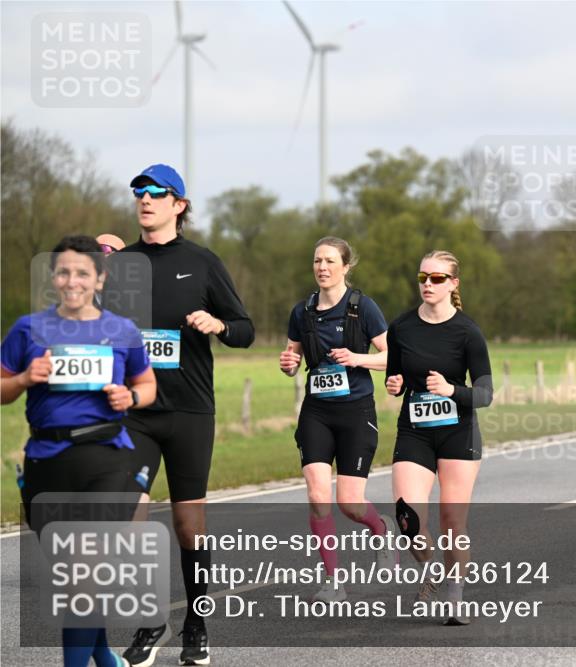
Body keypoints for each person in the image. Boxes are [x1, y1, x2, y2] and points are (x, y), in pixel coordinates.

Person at [103, 164, 254, 667]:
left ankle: (198, 623)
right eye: (138, 193)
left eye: (155, 193)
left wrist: (217, 324)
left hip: (190, 409)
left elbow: (246, 329)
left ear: (179, 204)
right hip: (137, 412)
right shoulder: (120, 265)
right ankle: (150, 622)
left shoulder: (203, 263)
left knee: (190, 524)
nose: (144, 199)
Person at [1, 235, 156, 667]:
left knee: (86, 571)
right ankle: (104, 655)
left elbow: (147, 385)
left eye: (83, 273)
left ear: (100, 279)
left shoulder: (122, 331)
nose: (73, 281)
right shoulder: (28, 329)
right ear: (54, 278)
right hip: (47, 459)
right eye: (64, 272)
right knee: (76, 578)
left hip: (106, 457)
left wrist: (131, 398)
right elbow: (1, 389)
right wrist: (24, 379)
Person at [278, 237, 393, 603]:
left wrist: (358, 359)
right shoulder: (303, 312)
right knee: (316, 494)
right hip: (317, 411)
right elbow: (291, 356)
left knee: (349, 503)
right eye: (317, 261)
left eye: (329, 261)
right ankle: (333, 581)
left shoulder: (363, 308)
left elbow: (394, 357)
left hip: (356, 411)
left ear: (345, 266)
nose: (322, 267)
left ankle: (380, 528)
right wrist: (288, 364)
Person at [386, 250, 493, 626]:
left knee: (452, 521)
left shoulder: (468, 332)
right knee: (407, 518)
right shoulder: (401, 328)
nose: (428, 284)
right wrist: (394, 383)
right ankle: (431, 568)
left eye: (437, 278)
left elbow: (485, 393)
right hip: (414, 431)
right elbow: (395, 377)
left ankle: (456, 594)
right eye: (423, 278)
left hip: (457, 433)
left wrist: (451, 390)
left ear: (453, 284)